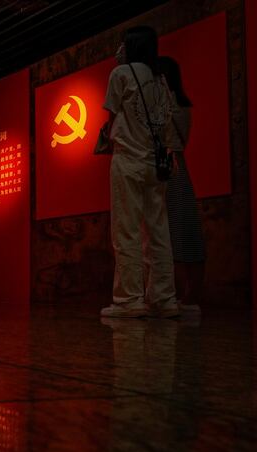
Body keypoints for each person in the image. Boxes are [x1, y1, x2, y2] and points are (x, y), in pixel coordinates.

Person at [101, 26, 179, 318]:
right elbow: (165, 121)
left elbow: (111, 118)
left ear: (130, 46)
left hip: (127, 160)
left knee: (126, 231)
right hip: (154, 163)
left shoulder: (120, 75)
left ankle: (129, 299)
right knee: (159, 232)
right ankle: (164, 298)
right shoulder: (160, 80)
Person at [159, 56, 206, 314]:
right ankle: (184, 296)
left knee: (179, 231)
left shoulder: (172, 105)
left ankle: (187, 298)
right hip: (173, 164)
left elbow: (175, 139)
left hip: (170, 165)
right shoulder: (179, 106)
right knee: (177, 232)